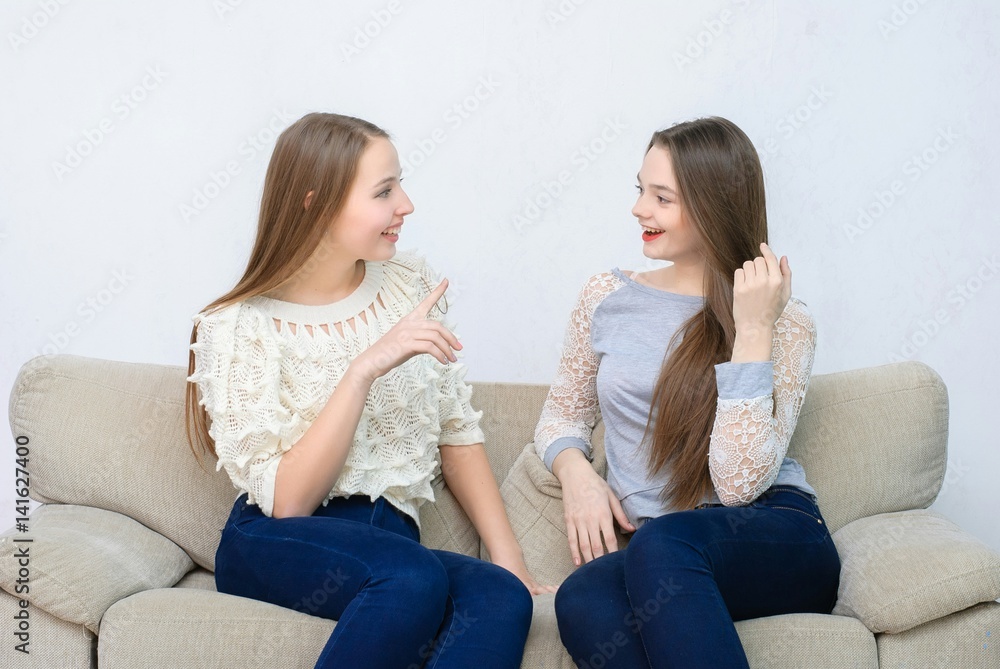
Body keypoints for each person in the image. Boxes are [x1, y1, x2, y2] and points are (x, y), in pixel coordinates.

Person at [185, 112, 545, 669]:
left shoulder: (410, 286)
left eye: (399, 183)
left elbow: (456, 431)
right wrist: (363, 369)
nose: (406, 204)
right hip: (280, 542)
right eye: (384, 191)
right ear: (316, 203)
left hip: (390, 543)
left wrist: (508, 557)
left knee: (500, 595)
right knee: (410, 574)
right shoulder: (237, 326)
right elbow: (289, 504)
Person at [537, 116, 841, 668]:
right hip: (662, 553)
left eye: (662, 198)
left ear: (712, 206)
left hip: (771, 533)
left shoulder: (784, 321)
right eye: (640, 190)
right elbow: (562, 415)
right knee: (581, 597)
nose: (638, 210)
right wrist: (576, 473)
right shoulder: (606, 296)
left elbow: (740, 483)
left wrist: (752, 332)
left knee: (665, 545)